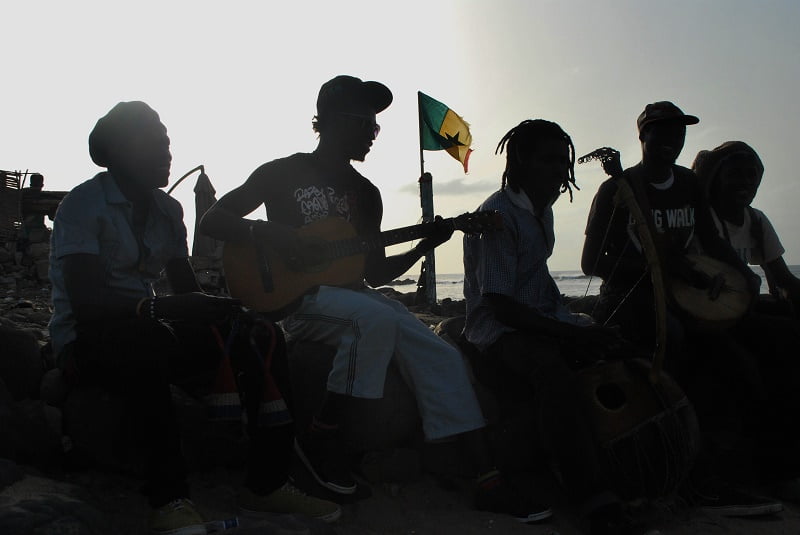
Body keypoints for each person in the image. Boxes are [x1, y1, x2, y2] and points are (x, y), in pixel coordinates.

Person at [200, 75, 551, 523]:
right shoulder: (282, 172)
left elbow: (374, 271)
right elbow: (215, 219)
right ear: (327, 122)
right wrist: (265, 231)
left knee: (442, 355)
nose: (372, 132)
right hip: (296, 300)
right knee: (374, 321)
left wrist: (426, 243)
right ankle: (324, 436)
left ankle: (488, 480)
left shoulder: (367, 194)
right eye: (364, 122)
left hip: (355, 296)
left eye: (376, 126)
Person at [48, 101, 341, 535]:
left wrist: (223, 310)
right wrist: (162, 310)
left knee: (261, 335)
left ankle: (267, 482)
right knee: (145, 339)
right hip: (88, 339)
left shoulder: (169, 213)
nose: (169, 154)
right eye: (157, 144)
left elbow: (185, 289)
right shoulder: (83, 204)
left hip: (149, 324)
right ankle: (168, 499)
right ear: (124, 151)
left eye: (169, 144)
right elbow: (87, 302)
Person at [581, 101, 782, 517]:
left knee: (744, 362)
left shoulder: (689, 185)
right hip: (629, 302)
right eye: (662, 131)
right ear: (643, 136)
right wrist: (656, 266)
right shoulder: (618, 188)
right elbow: (591, 263)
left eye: (679, 132)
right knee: (681, 349)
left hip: (681, 298)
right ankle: (696, 483)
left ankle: (746, 472)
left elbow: (710, 241)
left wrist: (740, 273)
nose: (672, 139)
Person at [463, 119, 660, 535]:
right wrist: (574, 333)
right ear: (520, 160)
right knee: (551, 369)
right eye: (549, 160)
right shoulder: (498, 216)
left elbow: (536, 284)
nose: (560, 170)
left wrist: (577, 324)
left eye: (563, 161)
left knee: (621, 349)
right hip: (498, 333)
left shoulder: (542, 210)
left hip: (538, 319)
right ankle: (597, 503)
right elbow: (501, 307)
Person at [692, 140, 800, 313]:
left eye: (752, 175)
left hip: (739, 308)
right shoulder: (702, 219)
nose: (746, 182)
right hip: (707, 311)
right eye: (735, 174)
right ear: (717, 178)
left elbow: (783, 277)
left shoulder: (755, 219)